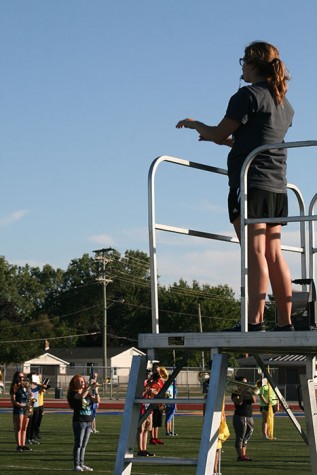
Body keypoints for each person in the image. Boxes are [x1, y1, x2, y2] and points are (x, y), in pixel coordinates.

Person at [176, 41, 294, 332]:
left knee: (254, 251)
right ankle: (285, 322)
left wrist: (195, 124)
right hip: (277, 186)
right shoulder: (284, 103)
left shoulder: (247, 95)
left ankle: (254, 322)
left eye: (243, 61)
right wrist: (226, 140)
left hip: (250, 182)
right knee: (274, 253)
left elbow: (218, 133)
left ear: (253, 64)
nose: (240, 66)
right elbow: (258, 140)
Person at [67, 374, 100, 472]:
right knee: (78, 444)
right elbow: (81, 396)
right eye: (80, 381)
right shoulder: (73, 393)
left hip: (88, 420)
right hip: (79, 420)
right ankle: (76, 465)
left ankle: (82, 464)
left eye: (83, 381)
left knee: (84, 444)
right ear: (75, 383)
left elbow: (96, 400)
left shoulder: (88, 392)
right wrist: (89, 386)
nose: (82, 383)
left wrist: (96, 390)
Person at [231, 376, 256, 462]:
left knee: (247, 436)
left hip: (249, 416)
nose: (245, 384)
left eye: (246, 383)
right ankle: (240, 456)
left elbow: (254, 401)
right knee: (240, 437)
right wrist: (242, 393)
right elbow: (239, 402)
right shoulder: (235, 393)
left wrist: (251, 392)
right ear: (239, 384)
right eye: (243, 383)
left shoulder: (248, 392)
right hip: (240, 417)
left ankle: (244, 455)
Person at [10, 371, 32, 452]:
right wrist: (22, 406)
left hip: (26, 409)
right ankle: (19, 445)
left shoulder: (25, 386)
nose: (21, 379)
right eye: (20, 377)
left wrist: (29, 388)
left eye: (23, 377)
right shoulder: (14, 387)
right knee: (18, 428)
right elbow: (13, 401)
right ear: (16, 378)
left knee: (24, 428)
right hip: (19, 409)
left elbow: (31, 395)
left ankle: (23, 445)